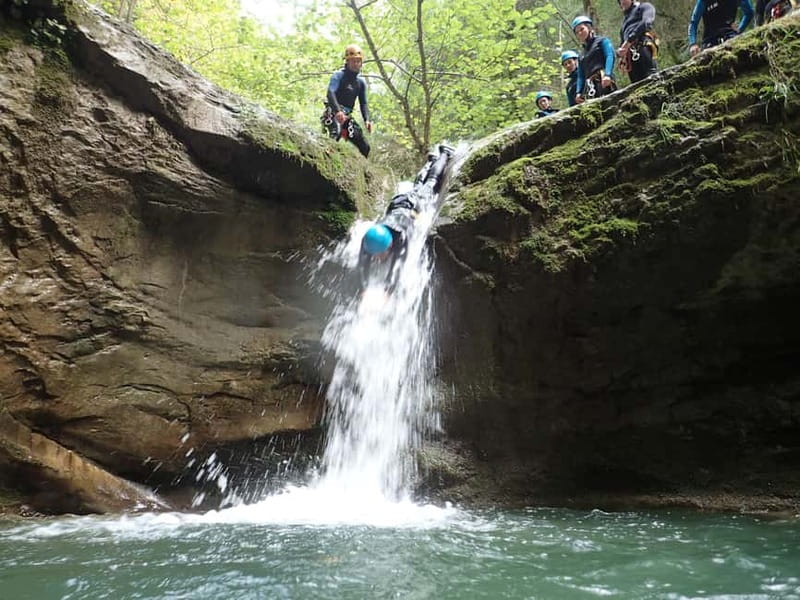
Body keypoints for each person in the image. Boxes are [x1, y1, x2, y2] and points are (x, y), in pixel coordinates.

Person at [358, 145, 454, 294]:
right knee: (417, 186)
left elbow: (397, 267)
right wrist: (363, 288)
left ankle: (445, 154)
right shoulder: (368, 240)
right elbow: (362, 264)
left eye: (379, 254)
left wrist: (387, 291)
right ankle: (431, 161)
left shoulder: (401, 239)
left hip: (414, 206)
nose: (376, 258)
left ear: (389, 246)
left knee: (430, 184)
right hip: (397, 204)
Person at [322, 44, 373, 158]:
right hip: (333, 112)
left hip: (347, 117)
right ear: (347, 62)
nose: (356, 64)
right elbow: (330, 93)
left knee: (365, 146)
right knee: (337, 132)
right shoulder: (339, 76)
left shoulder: (360, 83)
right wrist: (338, 111)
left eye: (358, 61)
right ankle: (326, 157)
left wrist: (367, 120)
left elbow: (363, 103)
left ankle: (363, 170)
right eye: (353, 61)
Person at [572, 16, 617, 104]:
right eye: (577, 32)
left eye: (582, 29)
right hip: (590, 86)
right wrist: (578, 93)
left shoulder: (602, 41)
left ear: (589, 28)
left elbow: (610, 56)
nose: (580, 33)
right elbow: (581, 75)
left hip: (603, 79)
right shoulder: (581, 55)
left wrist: (608, 75)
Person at [688, 0, 754, 56]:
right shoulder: (703, 1)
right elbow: (693, 23)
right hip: (709, 39)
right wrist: (692, 44)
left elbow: (749, 13)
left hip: (730, 35)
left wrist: (739, 29)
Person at [617, 0, 658, 84]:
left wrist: (630, 39)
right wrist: (619, 52)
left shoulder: (644, 7)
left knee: (650, 77)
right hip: (630, 57)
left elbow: (647, 22)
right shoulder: (624, 25)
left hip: (643, 45)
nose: (622, 1)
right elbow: (622, 44)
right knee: (636, 85)